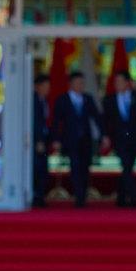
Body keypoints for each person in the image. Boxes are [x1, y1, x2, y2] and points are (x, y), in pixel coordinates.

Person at [101, 70, 136, 208]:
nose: (118, 84)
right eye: (116, 82)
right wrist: (105, 137)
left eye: (121, 81)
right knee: (126, 165)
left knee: (128, 167)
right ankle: (133, 198)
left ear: (127, 83)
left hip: (134, 139)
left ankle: (121, 198)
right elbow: (104, 120)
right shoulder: (109, 100)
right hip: (118, 140)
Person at [53, 71, 101, 208]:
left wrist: (103, 135)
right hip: (71, 141)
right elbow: (56, 121)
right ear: (71, 84)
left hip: (85, 141)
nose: (81, 86)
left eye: (82, 83)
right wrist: (56, 139)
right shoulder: (63, 100)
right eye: (78, 83)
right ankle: (78, 196)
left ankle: (83, 196)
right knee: (75, 167)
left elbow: (97, 118)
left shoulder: (87, 98)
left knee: (85, 168)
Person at [31, 73, 52, 207]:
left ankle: (40, 196)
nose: (47, 89)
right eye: (45, 86)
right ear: (37, 87)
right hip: (36, 141)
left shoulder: (43, 100)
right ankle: (36, 196)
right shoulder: (33, 101)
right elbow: (36, 123)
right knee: (37, 169)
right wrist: (38, 140)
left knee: (43, 169)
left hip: (43, 140)